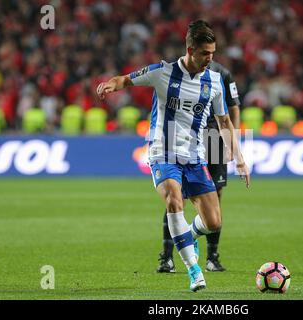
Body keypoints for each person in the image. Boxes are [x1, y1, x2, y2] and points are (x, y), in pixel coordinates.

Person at [96, 20, 250, 292]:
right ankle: (194, 270)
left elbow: (224, 121)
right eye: (205, 54)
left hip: (195, 156)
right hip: (162, 151)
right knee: (173, 201)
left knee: (214, 223)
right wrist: (109, 84)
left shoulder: (213, 80)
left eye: (213, 53)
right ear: (190, 50)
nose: (209, 59)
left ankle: (186, 236)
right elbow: (125, 79)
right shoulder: (162, 72)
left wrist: (238, 157)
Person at [157, 59, 241, 273]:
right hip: (185, 136)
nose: (208, 57)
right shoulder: (179, 71)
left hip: (214, 137)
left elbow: (233, 108)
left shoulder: (222, 73)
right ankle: (167, 257)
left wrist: (233, 142)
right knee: (176, 197)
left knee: (215, 195)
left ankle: (212, 257)